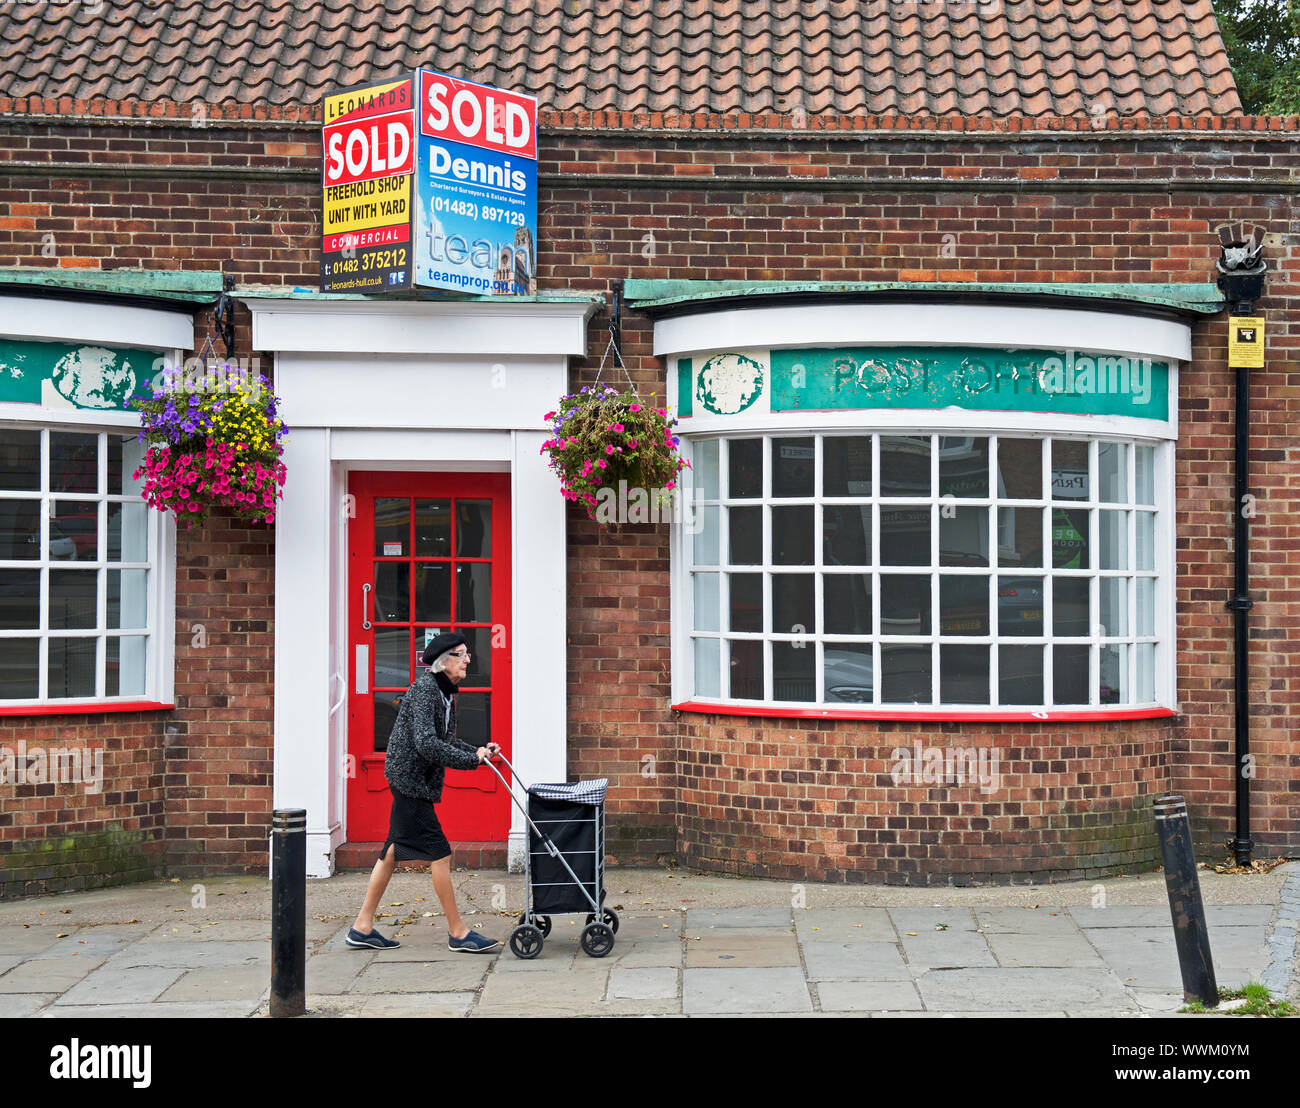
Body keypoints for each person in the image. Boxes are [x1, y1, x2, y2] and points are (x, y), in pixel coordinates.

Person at [347, 631, 502, 953]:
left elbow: (444, 739)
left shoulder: (445, 693)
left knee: (391, 852)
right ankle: (458, 933)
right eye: (462, 654)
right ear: (444, 662)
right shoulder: (424, 691)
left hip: (414, 781)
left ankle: (362, 927)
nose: (468, 659)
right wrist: (469, 761)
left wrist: (478, 751)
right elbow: (425, 742)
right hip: (409, 781)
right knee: (440, 853)